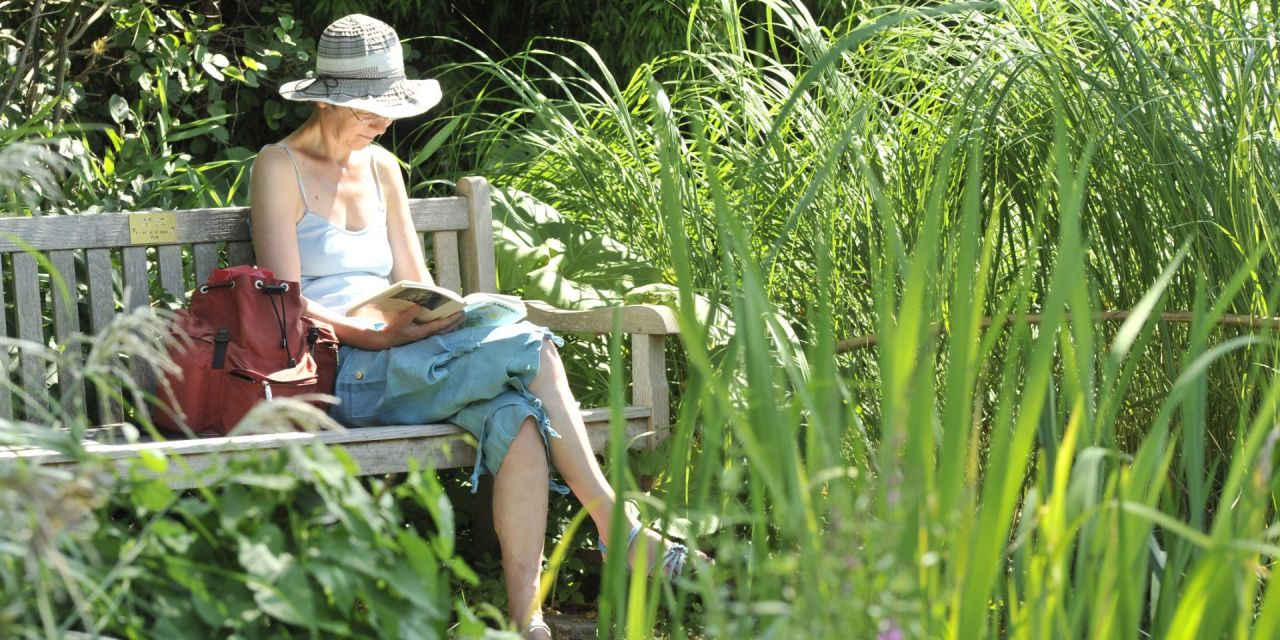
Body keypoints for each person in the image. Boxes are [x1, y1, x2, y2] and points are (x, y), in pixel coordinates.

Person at [249, 14, 702, 639]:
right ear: (327, 98)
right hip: (337, 367)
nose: (383, 122)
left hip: (406, 354)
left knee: (515, 416)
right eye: (368, 109)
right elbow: (284, 303)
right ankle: (614, 524)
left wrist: (441, 315)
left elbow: (414, 280)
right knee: (530, 344)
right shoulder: (279, 167)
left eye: (387, 109)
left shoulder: (382, 169)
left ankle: (528, 622)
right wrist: (376, 336)